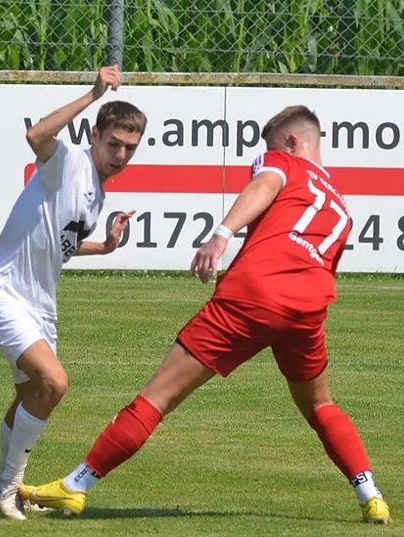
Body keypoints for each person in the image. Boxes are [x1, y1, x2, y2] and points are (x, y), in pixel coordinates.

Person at [19, 105, 392, 525]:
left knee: (157, 397)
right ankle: (371, 495)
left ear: (290, 142)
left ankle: (77, 485)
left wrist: (221, 235)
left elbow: (265, 185)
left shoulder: (280, 161)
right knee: (321, 404)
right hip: (308, 307)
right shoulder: (341, 206)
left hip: (253, 294)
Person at [0, 65, 147, 520]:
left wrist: (104, 247)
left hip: (39, 307)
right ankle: (10, 486)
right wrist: (92, 94)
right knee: (55, 383)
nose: (121, 154)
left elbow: (60, 246)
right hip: (1, 294)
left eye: (130, 147)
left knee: (29, 395)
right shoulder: (67, 161)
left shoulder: (97, 196)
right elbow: (37, 136)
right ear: (95, 135)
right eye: (114, 144)